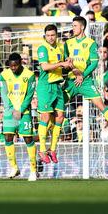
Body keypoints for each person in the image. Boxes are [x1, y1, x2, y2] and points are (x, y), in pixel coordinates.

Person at [63, 16, 108, 140]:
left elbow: (94, 63)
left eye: (75, 25)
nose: (73, 28)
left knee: (101, 105)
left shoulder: (91, 43)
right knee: (60, 105)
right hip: (71, 80)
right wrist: (70, 66)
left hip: (85, 80)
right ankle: (59, 133)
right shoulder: (68, 43)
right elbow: (66, 61)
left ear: (82, 27)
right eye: (72, 26)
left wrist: (82, 75)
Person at [37, 24, 72, 165]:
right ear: (45, 35)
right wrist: (61, 64)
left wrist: (70, 65)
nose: (50, 37)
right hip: (46, 86)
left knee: (60, 117)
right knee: (45, 116)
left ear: (56, 35)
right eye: (48, 35)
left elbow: (65, 64)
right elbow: (44, 66)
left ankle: (53, 149)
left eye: (53, 35)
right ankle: (42, 149)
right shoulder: (42, 48)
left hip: (58, 85)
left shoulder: (61, 47)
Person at [0, 53, 37, 181]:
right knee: (8, 137)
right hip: (10, 112)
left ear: (21, 63)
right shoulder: (4, 75)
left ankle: (33, 170)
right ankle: (14, 167)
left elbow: (29, 95)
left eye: (16, 65)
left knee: (27, 139)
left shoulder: (30, 75)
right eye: (11, 66)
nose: (13, 68)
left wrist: (20, 110)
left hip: (24, 112)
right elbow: (4, 95)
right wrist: (11, 110)